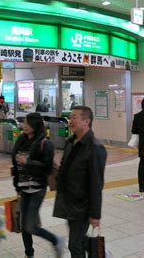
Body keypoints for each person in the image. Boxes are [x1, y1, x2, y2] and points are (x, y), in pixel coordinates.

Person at [53, 106, 107, 258]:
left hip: (83, 205)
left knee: (74, 244)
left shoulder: (95, 148)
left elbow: (96, 183)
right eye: (70, 117)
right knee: (78, 240)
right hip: (70, 202)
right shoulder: (71, 142)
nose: (71, 121)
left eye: (74, 117)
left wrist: (95, 214)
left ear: (86, 121)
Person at [11, 112, 63, 258]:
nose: (24, 125)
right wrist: (17, 187)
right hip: (23, 188)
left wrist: (27, 162)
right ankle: (29, 254)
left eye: (27, 123)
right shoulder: (21, 140)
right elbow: (15, 166)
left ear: (34, 125)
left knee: (30, 225)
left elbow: (47, 168)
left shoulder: (45, 144)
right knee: (24, 226)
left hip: (37, 189)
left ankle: (55, 240)